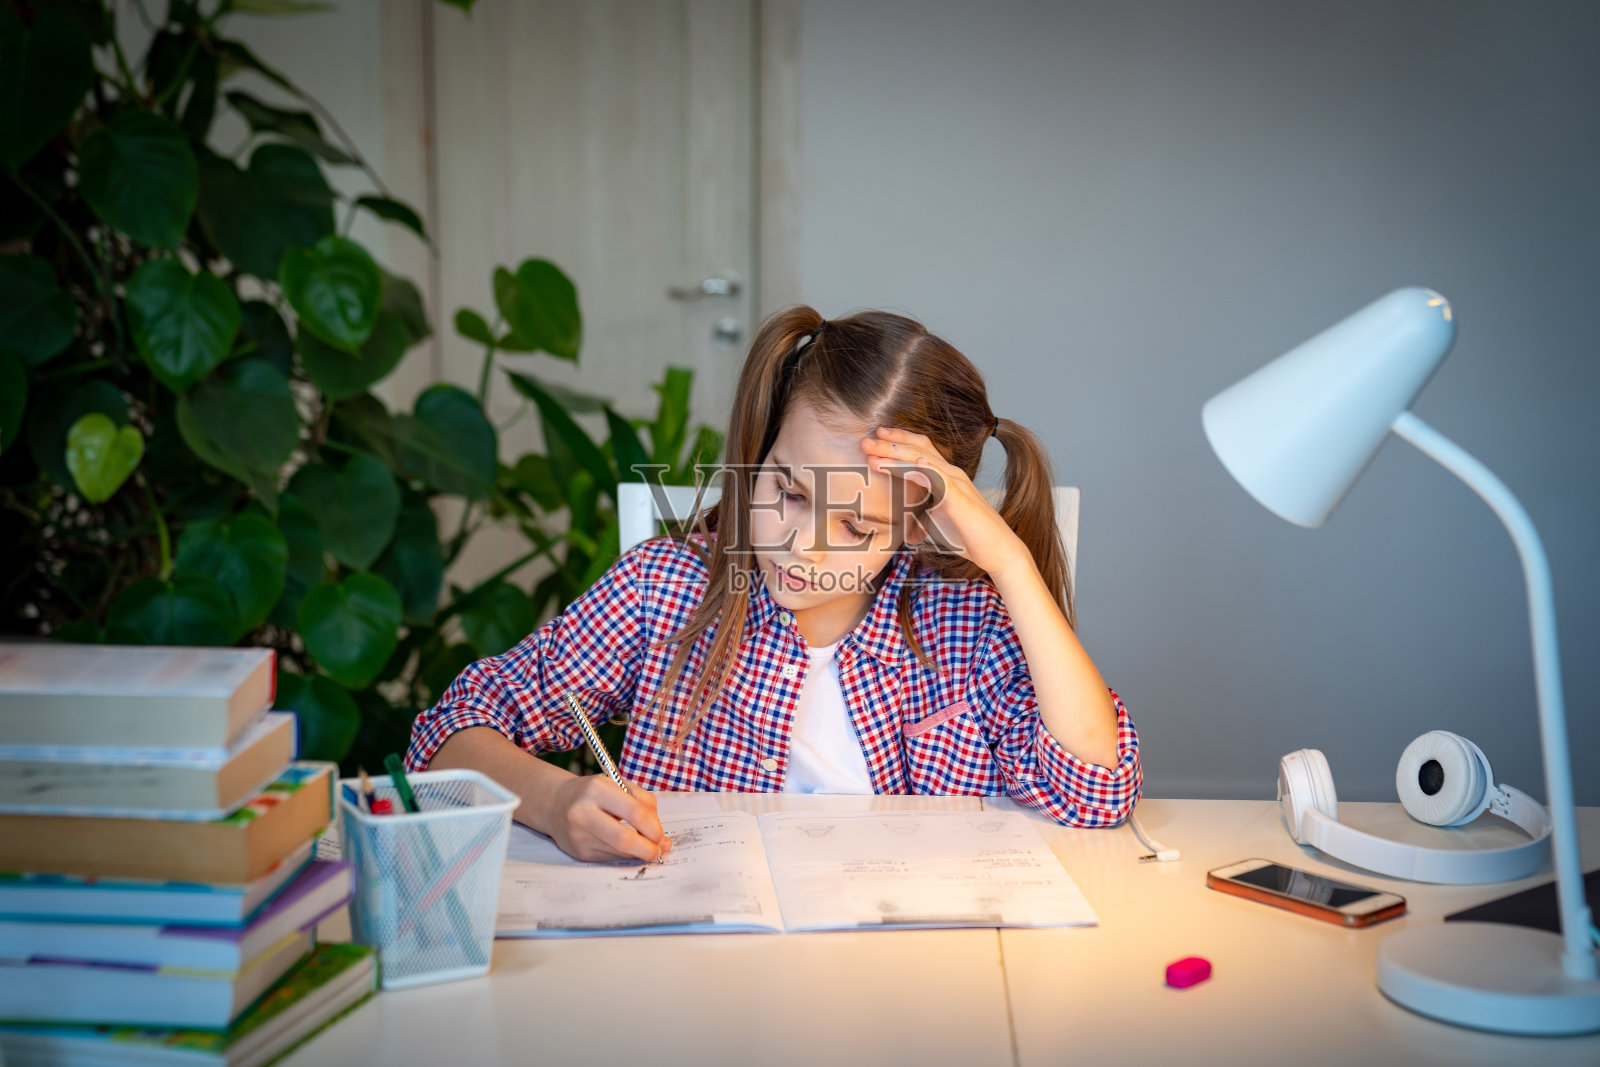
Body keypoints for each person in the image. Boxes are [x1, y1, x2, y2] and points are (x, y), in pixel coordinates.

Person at [407, 306, 1141, 863]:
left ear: (919, 526)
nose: (801, 544)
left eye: (856, 527)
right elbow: (447, 733)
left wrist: (1009, 562)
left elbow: (1096, 789)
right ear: (756, 457)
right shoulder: (662, 592)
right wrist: (554, 797)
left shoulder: (964, 623)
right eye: (787, 491)